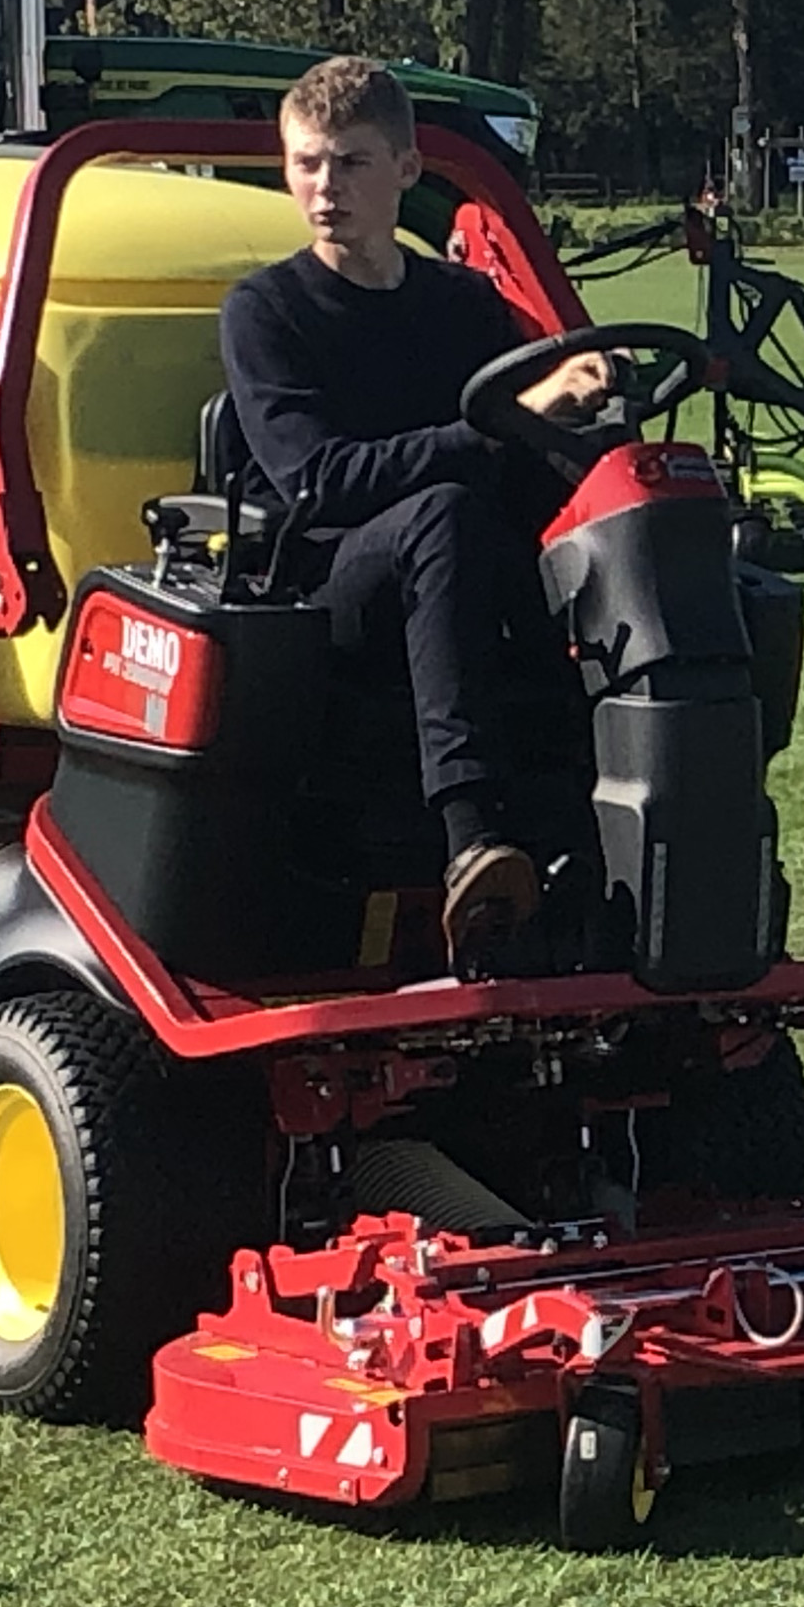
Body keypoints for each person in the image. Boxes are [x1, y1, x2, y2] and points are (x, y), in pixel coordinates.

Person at [218, 57, 608, 945]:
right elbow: (317, 483)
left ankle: (633, 806)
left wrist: (579, 413)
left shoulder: (463, 304)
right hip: (324, 582)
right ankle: (473, 836)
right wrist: (503, 425)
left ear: (406, 169)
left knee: (627, 515)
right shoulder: (267, 312)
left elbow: (524, 447)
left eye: (350, 164)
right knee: (444, 512)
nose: (324, 188)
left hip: (461, 563)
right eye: (306, 164)